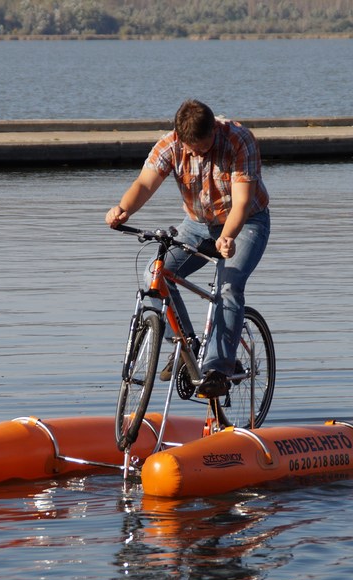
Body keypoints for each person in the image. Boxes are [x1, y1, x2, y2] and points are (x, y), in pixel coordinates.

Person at [105, 99, 270, 399]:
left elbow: (243, 203)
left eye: (202, 148)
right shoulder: (171, 145)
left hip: (246, 223)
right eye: (189, 147)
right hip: (197, 225)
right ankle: (186, 345)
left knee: (228, 285)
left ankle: (218, 370)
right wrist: (123, 208)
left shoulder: (238, 141)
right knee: (156, 274)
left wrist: (229, 236)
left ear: (214, 131)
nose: (194, 153)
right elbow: (144, 183)